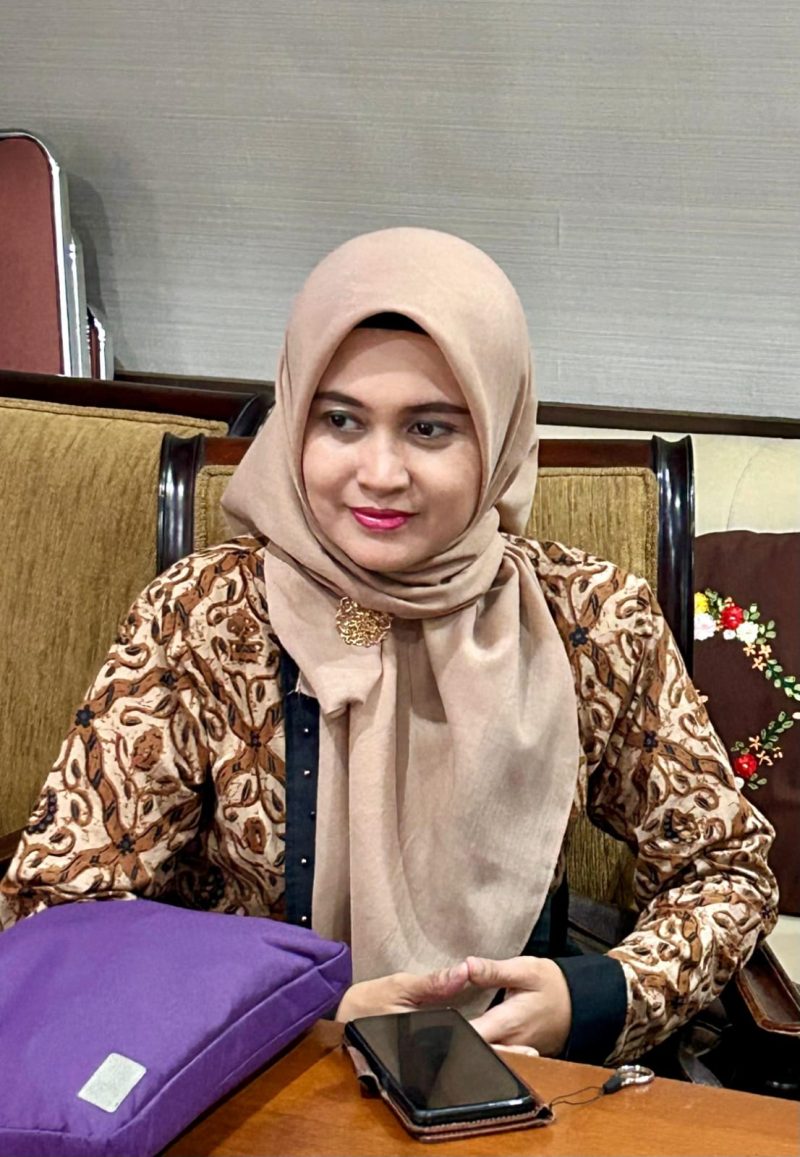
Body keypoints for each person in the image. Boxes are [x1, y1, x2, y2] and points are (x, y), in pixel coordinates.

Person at [0, 228, 777, 1066]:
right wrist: (302, 1005)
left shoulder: (590, 620)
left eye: (430, 428)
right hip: (253, 1073)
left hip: (519, 1074)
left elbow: (727, 867)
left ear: (499, 435)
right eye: (340, 419)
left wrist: (591, 997)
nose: (380, 472)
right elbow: (59, 909)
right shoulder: (201, 617)